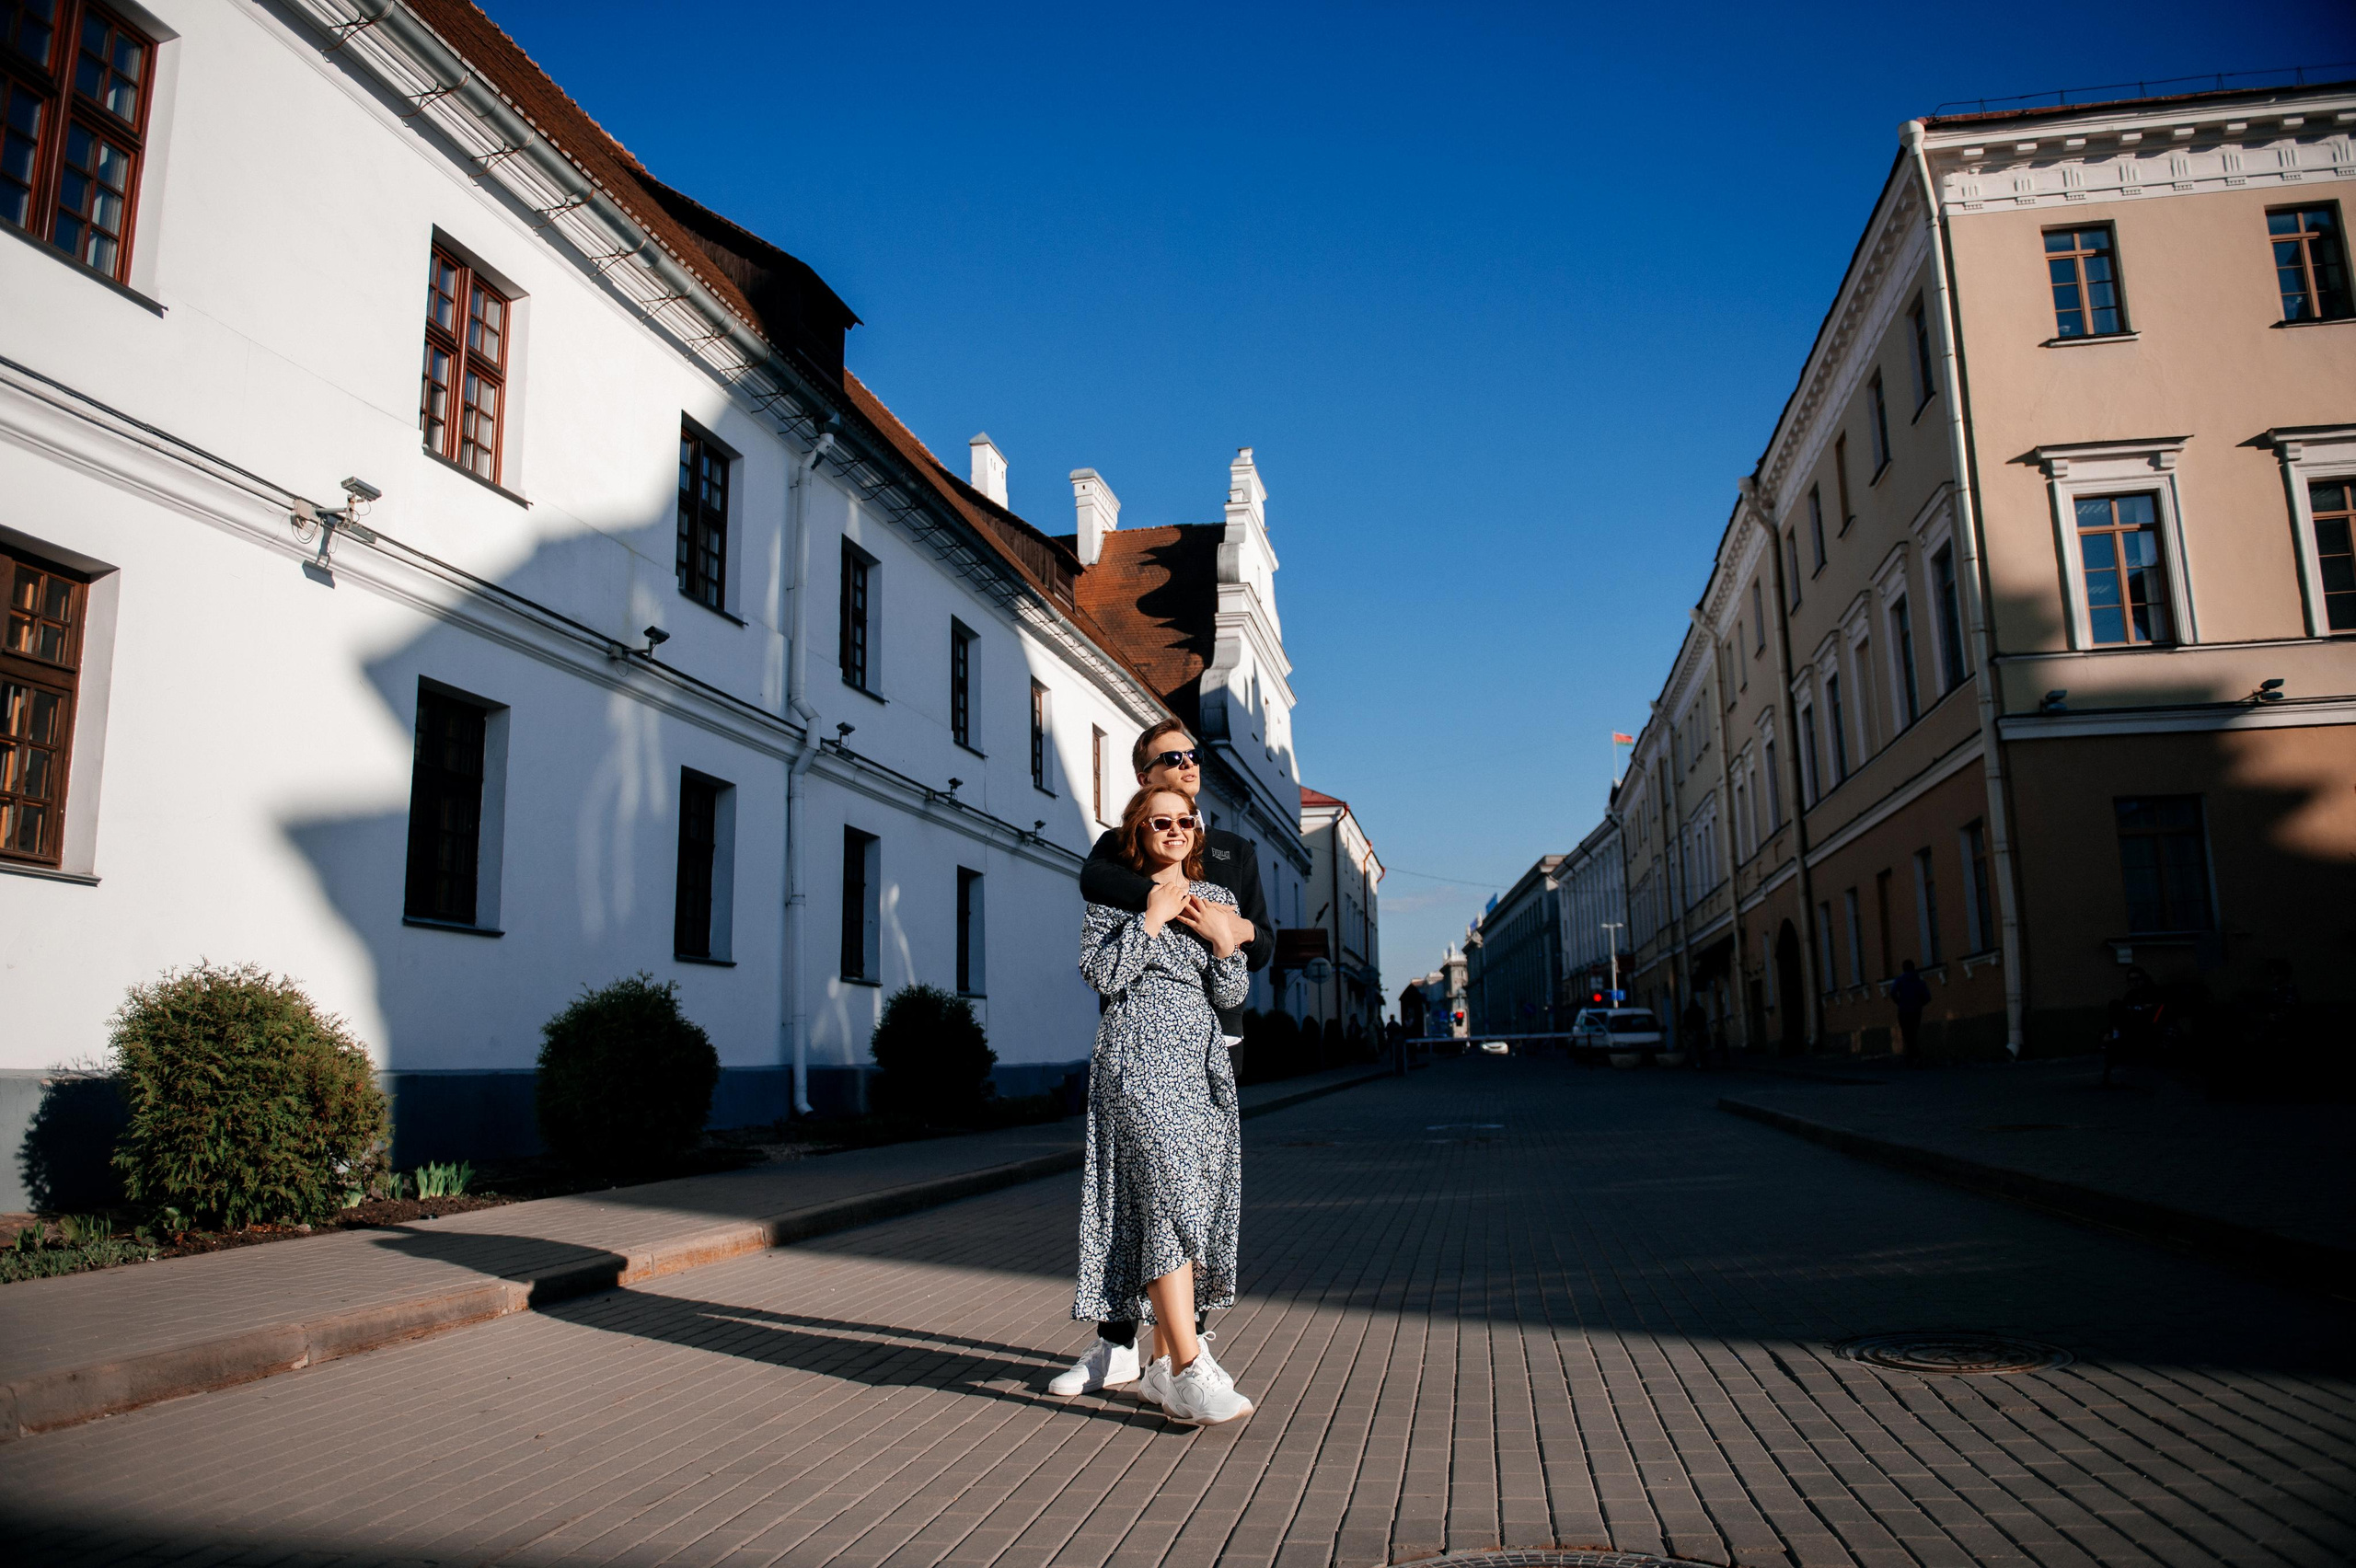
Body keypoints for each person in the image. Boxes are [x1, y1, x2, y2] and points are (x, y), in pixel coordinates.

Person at [1052, 787, 1255, 1426]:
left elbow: (1233, 990)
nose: (1174, 829)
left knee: (1186, 1200)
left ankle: (1165, 1368)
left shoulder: (1217, 897)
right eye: (1159, 822)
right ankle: (1191, 1367)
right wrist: (1149, 918)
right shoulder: (1116, 897)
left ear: (1197, 831)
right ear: (1138, 834)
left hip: (1199, 1060)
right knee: (1168, 1197)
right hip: (1135, 1053)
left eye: (1184, 821)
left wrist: (1225, 945)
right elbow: (1101, 975)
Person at [1080, 720, 1275, 1049]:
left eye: (1193, 755)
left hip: (1219, 1025)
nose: (1188, 763)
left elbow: (1263, 947)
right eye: (1172, 758)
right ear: (1144, 779)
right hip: (1138, 1032)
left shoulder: (1235, 849)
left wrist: (1238, 930)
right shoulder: (1120, 843)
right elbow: (1092, 880)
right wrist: (1170, 902)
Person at [1891, 960, 1932, 1067]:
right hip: (1916, 1011)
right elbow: (1927, 997)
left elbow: (1893, 992)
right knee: (1913, 1032)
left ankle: (1912, 1056)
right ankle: (1914, 1057)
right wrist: (1919, 1004)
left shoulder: (1900, 980)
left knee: (1906, 1033)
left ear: (1903, 968)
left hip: (1904, 1010)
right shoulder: (1919, 981)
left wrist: (1899, 1002)